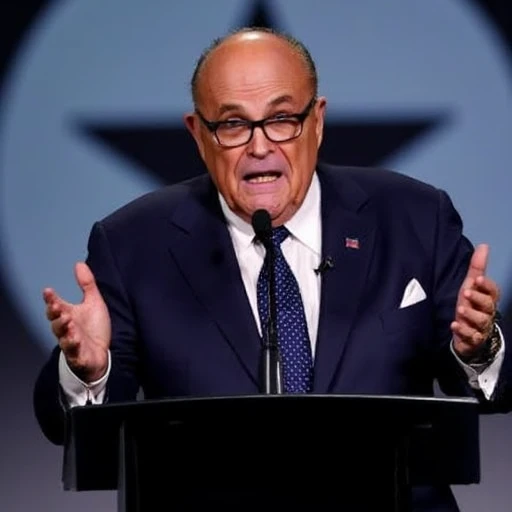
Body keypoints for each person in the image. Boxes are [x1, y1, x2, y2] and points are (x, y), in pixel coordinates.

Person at [33, 27, 510, 511]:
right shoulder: (134, 244)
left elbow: (496, 386)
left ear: (317, 121)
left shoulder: (413, 216)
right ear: (198, 134)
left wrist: (479, 348)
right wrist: (87, 372)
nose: (260, 147)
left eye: (282, 119)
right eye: (233, 125)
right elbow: (65, 426)